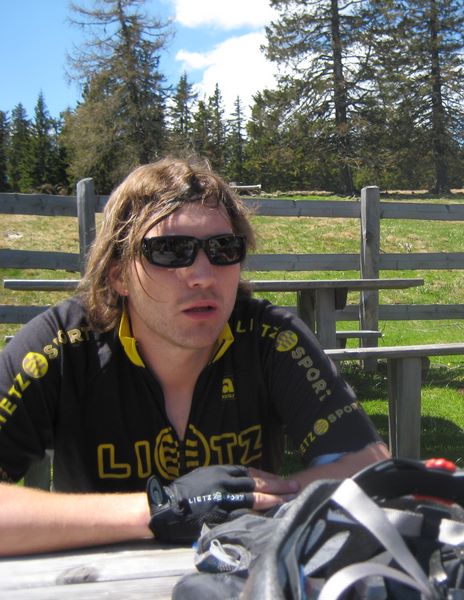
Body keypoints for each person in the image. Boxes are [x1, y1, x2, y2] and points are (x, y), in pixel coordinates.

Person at [0, 158, 390, 556]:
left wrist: (245, 502)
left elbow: (368, 467)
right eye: (170, 251)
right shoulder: (63, 346)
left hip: (241, 575)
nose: (203, 275)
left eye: (223, 248)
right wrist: (161, 510)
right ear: (118, 275)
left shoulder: (271, 339)